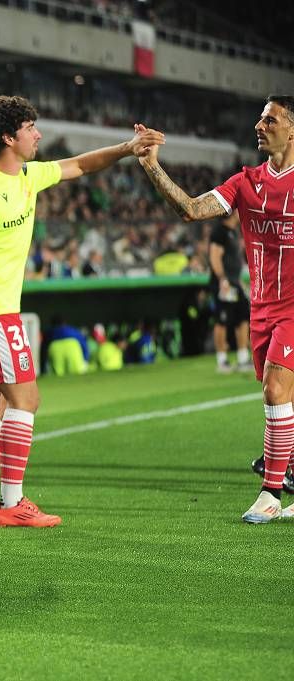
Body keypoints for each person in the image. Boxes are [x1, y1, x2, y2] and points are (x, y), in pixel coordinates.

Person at [0, 95, 162, 528]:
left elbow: (80, 165)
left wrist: (125, 148)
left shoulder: (28, 176)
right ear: (9, 136)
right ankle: (13, 502)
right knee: (27, 399)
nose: (38, 134)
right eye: (30, 128)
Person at [136, 95, 294, 524]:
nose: (259, 126)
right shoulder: (244, 182)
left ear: (292, 129)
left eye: (270, 119)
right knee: (281, 397)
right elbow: (189, 209)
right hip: (261, 308)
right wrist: (151, 165)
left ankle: (270, 493)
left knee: (276, 391)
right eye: (259, 118)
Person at [208, 212, 252, 373]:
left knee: (242, 316)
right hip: (223, 284)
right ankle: (222, 360)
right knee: (222, 319)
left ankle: (242, 357)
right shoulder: (219, 232)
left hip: (234, 283)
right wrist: (222, 279)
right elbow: (214, 257)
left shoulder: (234, 231)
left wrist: (238, 281)